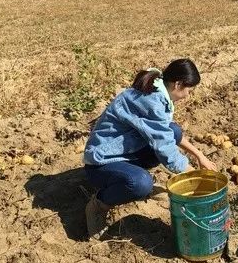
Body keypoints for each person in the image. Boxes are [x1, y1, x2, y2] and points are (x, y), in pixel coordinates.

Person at [83, 58, 217, 239]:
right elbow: (165, 150)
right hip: (102, 162)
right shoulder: (152, 101)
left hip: (125, 151)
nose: (188, 96)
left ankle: (131, 180)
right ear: (177, 84)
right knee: (140, 183)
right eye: (188, 91)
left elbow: (167, 133)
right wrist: (194, 178)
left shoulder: (157, 88)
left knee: (174, 131)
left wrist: (200, 155)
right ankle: (98, 205)